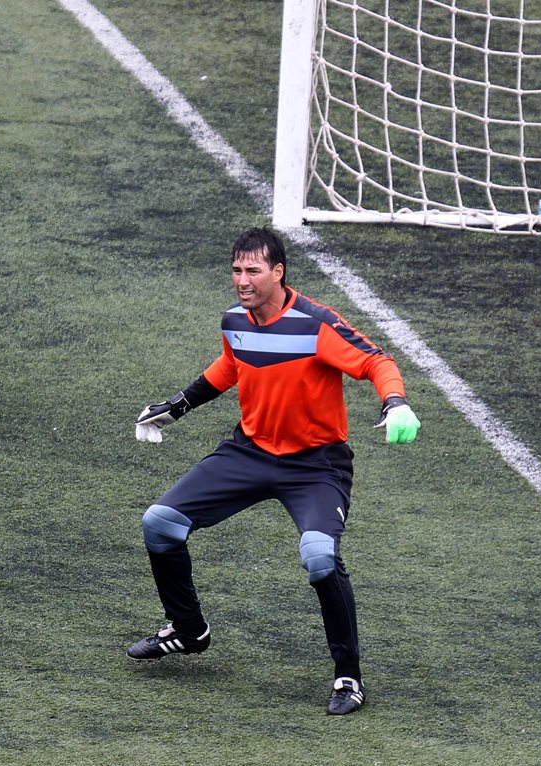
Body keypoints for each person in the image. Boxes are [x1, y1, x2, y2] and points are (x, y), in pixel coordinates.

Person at [127, 227, 421, 716]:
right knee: (160, 523)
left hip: (315, 465)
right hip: (249, 453)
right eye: (237, 270)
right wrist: (177, 406)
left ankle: (348, 675)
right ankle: (187, 629)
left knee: (320, 556)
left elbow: (376, 361)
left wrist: (395, 402)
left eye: (253, 271)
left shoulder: (316, 323)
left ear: (278, 272)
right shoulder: (235, 320)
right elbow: (230, 365)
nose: (242, 280)